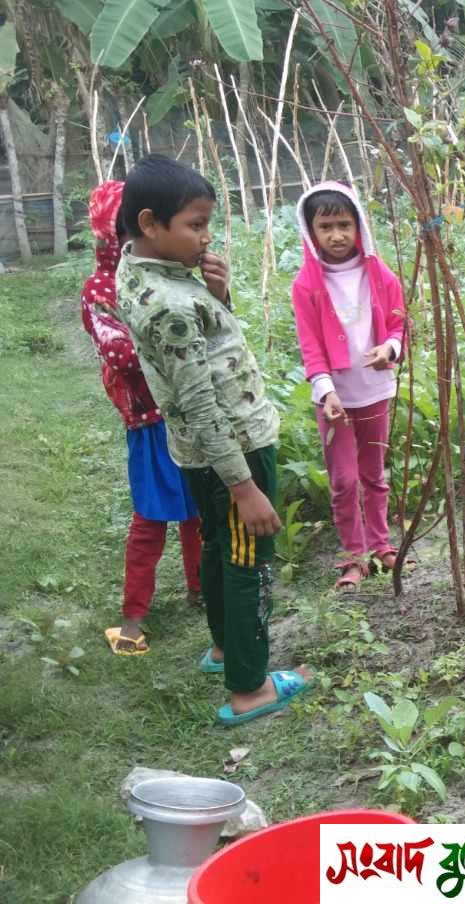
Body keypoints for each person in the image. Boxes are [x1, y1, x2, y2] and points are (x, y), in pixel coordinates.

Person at [116, 155, 311, 726]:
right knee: (250, 562)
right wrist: (246, 488)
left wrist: (217, 296)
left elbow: (197, 355)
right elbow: (201, 400)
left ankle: (226, 650)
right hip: (234, 451)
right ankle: (250, 689)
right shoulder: (172, 306)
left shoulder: (140, 270)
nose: (206, 237)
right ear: (150, 223)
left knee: (223, 549)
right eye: (195, 225)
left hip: (199, 453)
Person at [81, 180, 204, 655]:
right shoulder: (100, 290)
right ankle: (133, 617)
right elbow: (121, 355)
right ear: (113, 233)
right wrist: (175, 342)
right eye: (129, 227)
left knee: (198, 509)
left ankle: (200, 589)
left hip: (186, 411)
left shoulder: (168, 276)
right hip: (148, 421)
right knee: (151, 518)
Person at [289, 181, 408, 592]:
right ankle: (353, 558)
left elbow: (397, 323)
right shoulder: (306, 285)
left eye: (344, 225)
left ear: (359, 227)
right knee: (343, 479)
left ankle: (381, 545)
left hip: (375, 390)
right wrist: (326, 391)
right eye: (326, 227)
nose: (337, 235)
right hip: (334, 398)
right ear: (310, 232)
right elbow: (310, 344)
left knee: (374, 474)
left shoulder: (381, 275)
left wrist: (390, 349)